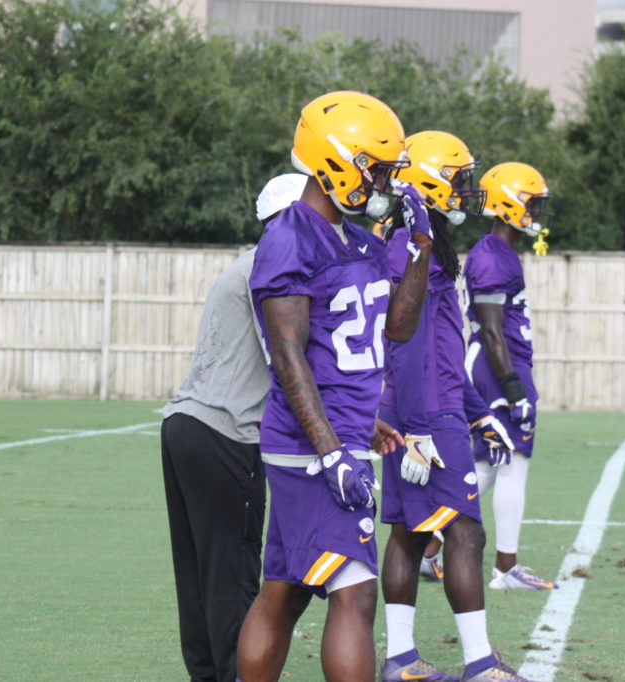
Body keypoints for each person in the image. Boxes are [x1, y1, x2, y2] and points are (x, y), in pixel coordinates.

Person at [236, 91, 434, 682]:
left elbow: (398, 326)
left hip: (337, 437)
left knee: (286, 591)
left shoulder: (359, 240)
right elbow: (288, 354)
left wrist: (420, 249)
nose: (381, 181)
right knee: (356, 596)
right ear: (336, 162)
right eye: (374, 167)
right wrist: (329, 450)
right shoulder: (291, 235)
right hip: (310, 447)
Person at [377, 131, 526, 682]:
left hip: (433, 407)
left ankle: (399, 658)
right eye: (458, 179)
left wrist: (478, 410)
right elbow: (405, 345)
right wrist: (416, 426)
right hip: (423, 414)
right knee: (464, 532)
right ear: (429, 180)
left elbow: (442, 350)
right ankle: (480, 664)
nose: (465, 191)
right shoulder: (410, 248)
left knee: (410, 534)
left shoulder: (428, 243)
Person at [159, 173, 305, 682]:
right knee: (233, 574)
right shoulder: (274, 269)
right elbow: (287, 364)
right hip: (227, 435)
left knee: (197, 574)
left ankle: (207, 674)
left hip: (185, 425)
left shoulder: (245, 263)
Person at [464, 162, 559, 591]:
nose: (538, 211)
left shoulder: (499, 252)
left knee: (489, 464)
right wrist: (513, 388)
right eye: (532, 202)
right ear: (510, 203)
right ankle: (505, 568)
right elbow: (490, 329)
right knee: (509, 465)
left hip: (501, 366)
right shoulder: (489, 257)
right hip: (496, 368)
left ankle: (427, 547)